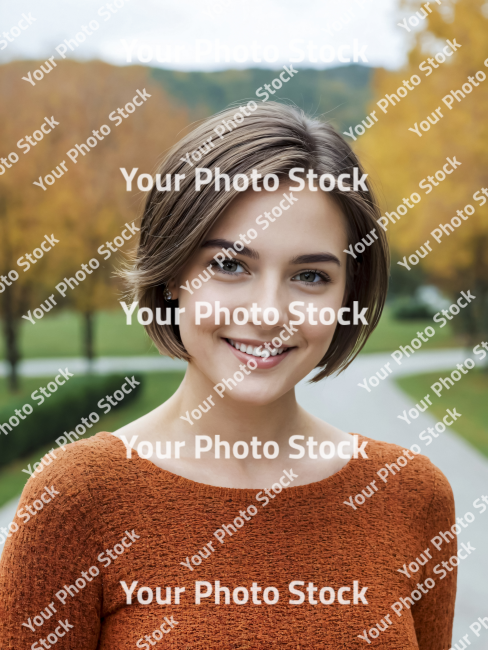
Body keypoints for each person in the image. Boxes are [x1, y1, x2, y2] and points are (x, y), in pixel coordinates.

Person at [0, 102, 456, 649]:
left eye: (310, 275)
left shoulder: (411, 496)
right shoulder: (76, 500)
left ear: (346, 295)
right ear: (171, 274)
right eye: (230, 265)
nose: (268, 312)